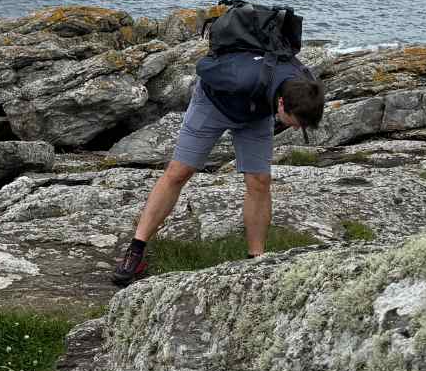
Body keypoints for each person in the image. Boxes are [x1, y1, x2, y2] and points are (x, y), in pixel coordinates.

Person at [111, 56, 325, 287]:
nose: (294, 128)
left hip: (257, 113)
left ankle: (256, 260)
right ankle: (136, 250)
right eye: (294, 122)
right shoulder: (244, 79)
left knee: (260, 181)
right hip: (214, 102)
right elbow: (203, 68)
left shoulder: (305, 87)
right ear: (282, 104)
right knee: (178, 172)